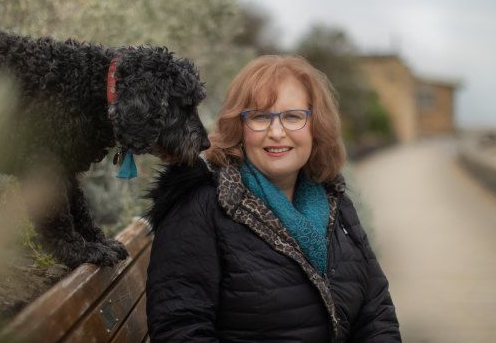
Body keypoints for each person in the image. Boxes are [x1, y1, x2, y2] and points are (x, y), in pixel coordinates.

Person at [146, 55, 401, 342]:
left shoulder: (335, 201)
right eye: (260, 117)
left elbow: (377, 315)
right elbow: (180, 331)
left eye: (293, 117)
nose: (276, 132)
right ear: (238, 127)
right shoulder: (200, 205)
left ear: (316, 126)